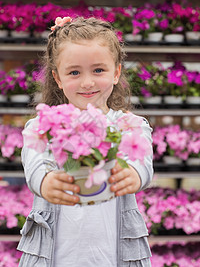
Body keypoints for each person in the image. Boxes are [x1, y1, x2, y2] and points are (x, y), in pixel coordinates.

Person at [17, 16, 153, 267]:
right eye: (74, 72)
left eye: (99, 70)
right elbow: (35, 163)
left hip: (115, 256)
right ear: (58, 78)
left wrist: (134, 175)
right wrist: (46, 181)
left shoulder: (130, 124)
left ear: (116, 73)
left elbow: (142, 163)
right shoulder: (42, 126)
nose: (87, 82)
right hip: (53, 257)